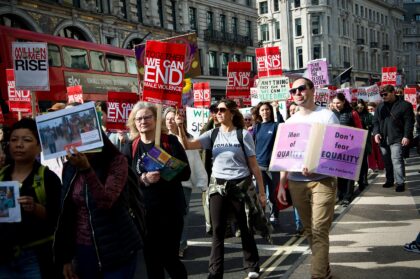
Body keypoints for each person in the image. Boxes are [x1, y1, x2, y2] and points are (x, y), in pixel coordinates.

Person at [176, 99, 269, 279]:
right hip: (218, 186)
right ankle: (215, 272)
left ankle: (252, 266)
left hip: (240, 186)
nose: (217, 113)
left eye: (221, 110)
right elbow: (188, 145)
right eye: (215, 110)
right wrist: (180, 127)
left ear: (232, 113)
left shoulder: (243, 135)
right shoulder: (212, 134)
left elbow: (254, 166)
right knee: (218, 229)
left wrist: (262, 192)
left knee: (245, 226)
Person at [53, 133, 142, 279]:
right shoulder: (70, 166)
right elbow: (67, 214)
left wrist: (87, 170)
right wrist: (66, 258)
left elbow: (106, 201)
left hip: (116, 248)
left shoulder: (117, 161)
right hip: (84, 251)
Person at [277, 77, 339, 279]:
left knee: (320, 229)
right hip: (296, 183)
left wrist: (316, 164)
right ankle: (325, 270)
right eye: (293, 91)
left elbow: (338, 152)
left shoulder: (327, 117)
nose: (297, 94)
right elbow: (284, 156)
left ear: (312, 90)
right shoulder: (290, 122)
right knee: (310, 231)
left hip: (323, 180)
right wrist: (281, 184)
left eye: (301, 89)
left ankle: (318, 275)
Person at [124, 102, 190, 279]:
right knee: (151, 262)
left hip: (171, 211)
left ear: (155, 119)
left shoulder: (170, 141)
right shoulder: (131, 146)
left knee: (170, 259)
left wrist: (164, 164)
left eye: (147, 117)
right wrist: (144, 178)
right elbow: (124, 179)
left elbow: (186, 174)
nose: (143, 121)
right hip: (144, 214)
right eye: (139, 118)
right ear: (134, 122)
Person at [0, 118, 62, 279]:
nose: (19, 145)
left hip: (37, 257)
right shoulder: (1, 176)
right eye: (14, 140)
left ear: (39, 147)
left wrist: (36, 208)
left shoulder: (48, 178)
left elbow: (59, 219)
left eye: (26, 140)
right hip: (4, 257)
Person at [164, 107, 208, 258]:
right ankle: (169, 244)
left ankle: (181, 245)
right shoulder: (160, 139)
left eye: (172, 118)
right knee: (167, 215)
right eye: (167, 118)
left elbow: (195, 161)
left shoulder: (187, 139)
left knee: (182, 215)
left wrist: (202, 182)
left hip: (184, 184)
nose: (170, 121)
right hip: (165, 184)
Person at [372, 85, 415, 192]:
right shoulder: (380, 107)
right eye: (381, 95)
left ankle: (400, 182)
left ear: (393, 92)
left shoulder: (405, 105)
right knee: (387, 161)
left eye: (385, 94)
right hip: (383, 138)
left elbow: (409, 122)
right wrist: (376, 133)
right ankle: (389, 180)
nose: (383, 96)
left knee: (396, 160)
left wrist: (406, 136)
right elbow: (375, 122)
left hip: (397, 137)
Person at [332, 93, 363, 206]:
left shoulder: (352, 113)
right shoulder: (332, 114)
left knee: (349, 173)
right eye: (334, 103)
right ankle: (340, 194)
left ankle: (348, 196)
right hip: (337, 148)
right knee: (339, 173)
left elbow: (360, 130)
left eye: (338, 103)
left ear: (344, 102)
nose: (336, 105)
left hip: (351, 148)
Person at [252, 102, 280, 224]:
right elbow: (252, 145)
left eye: (267, 109)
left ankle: (274, 215)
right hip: (259, 166)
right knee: (260, 194)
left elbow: (283, 127)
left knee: (274, 195)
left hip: (273, 167)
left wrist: (277, 110)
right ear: (259, 112)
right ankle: (262, 217)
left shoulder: (275, 125)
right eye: (262, 110)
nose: (265, 112)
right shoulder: (256, 127)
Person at [355, 99, 373, 191]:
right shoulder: (353, 115)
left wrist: (367, 126)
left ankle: (364, 179)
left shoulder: (368, 115)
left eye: (361, 105)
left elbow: (372, 125)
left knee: (364, 162)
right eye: (358, 105)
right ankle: (358, 179)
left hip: (365, 140)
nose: (360, 107)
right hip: (355, 142)